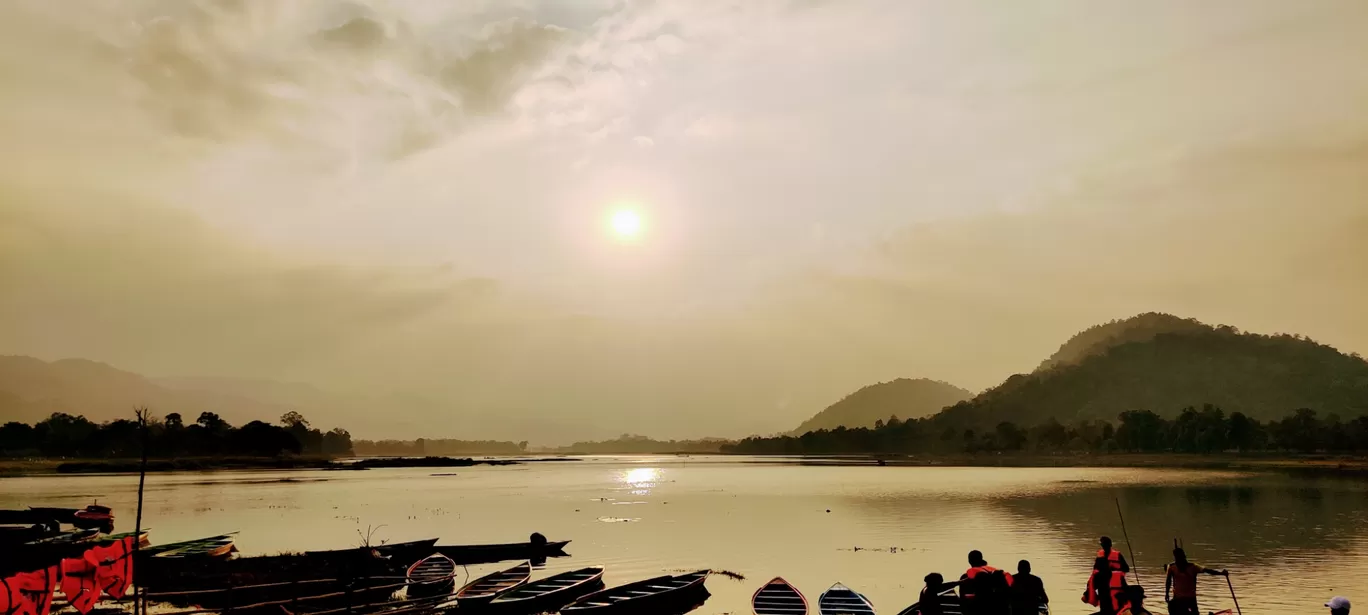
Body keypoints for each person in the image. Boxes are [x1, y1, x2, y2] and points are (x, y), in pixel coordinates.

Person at [1163, 547, 1226, 615]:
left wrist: (1221, 573)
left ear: (1184, 557)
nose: (1179, 561)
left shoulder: (1193, 567)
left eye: (1180, 558)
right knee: (1172, 607)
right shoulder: (1172, 567)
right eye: (1177, 558)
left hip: (1190, 598)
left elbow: (1207, 570)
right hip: (1178, 598)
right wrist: (1167, 593)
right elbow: (1168, 581)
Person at [961, 550, 1013, 615]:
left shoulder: (966, 576)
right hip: (1000, 609)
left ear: (969, 561)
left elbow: (963, 600)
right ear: (982, 559)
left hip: (980, 610)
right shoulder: (997, 573)